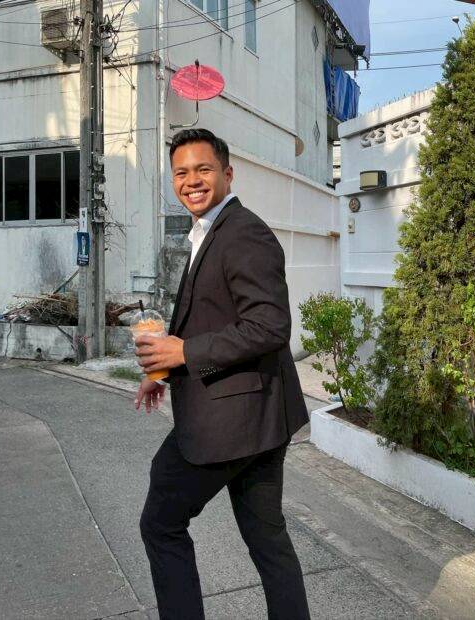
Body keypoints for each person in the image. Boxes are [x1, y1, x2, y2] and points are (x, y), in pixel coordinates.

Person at [133, 128, 311, 620]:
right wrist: (163, 370)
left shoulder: (243, 233)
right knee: (267, 539)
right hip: (260, 418)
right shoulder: (209, 231)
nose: (191, 181)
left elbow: (269, 325)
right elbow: (213, 316)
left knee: (161, 523)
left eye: (203, 170)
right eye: (181, 173)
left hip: (227, 422)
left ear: (227, 174)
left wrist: (185, 352)